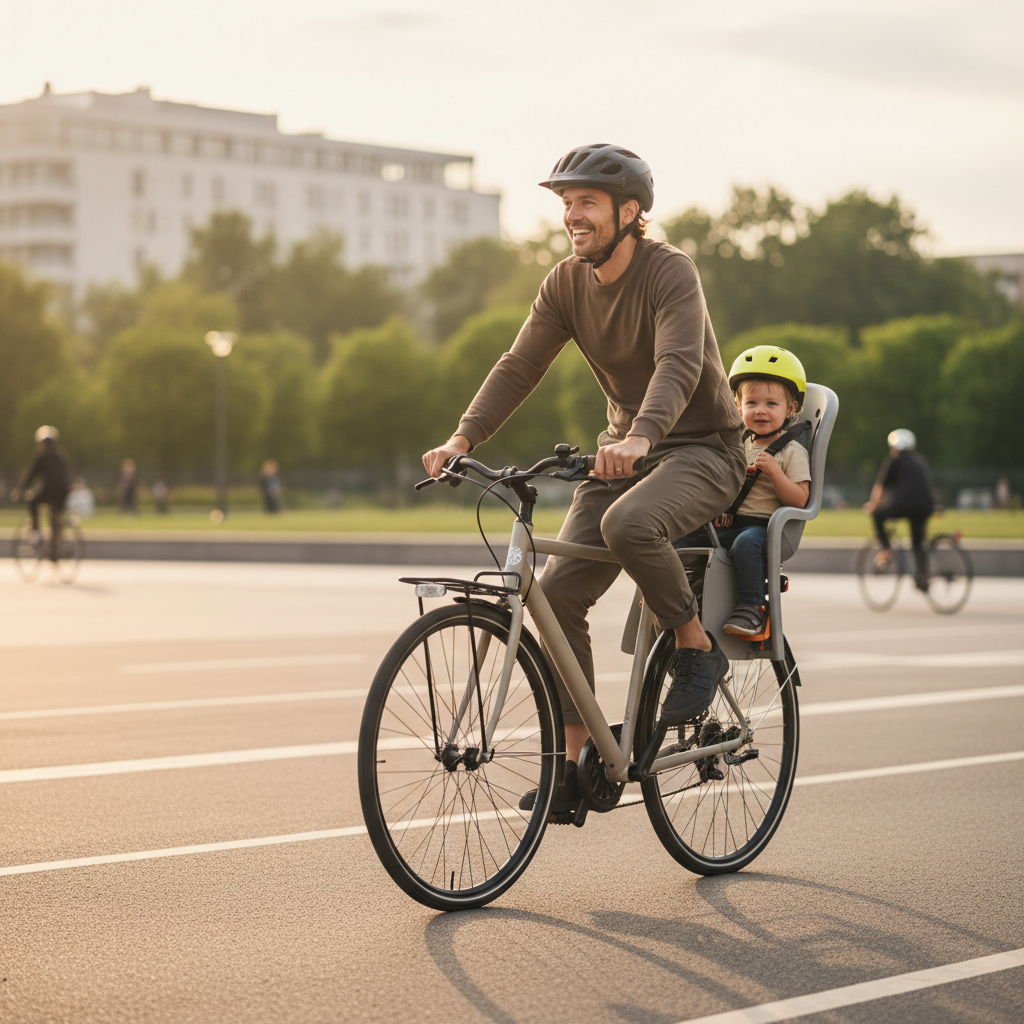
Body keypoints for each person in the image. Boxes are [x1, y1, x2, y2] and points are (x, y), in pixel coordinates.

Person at [422, 144, 746, 813]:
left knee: (629, 522)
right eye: (566, 203)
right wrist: (463, 436)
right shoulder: (565, 283)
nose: (572, 215)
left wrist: (641, 435)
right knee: (560, 593)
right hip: (622, 454)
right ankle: (575, 767)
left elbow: (679, 363)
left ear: (631, 213)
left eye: (586, 203)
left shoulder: (670, 272)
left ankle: (694, 643)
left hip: (703, 451)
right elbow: (520, 364)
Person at [673, 347, 811, 637]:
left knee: (746, 544)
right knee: (679, 537)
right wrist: (721, 507)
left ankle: (751, 609)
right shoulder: (739, 446)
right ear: (738, 407)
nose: (760, 410)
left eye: (771, 403)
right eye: (751, 402)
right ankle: (669, 596)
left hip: (765, 530)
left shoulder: (792, 451)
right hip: (731, 524)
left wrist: (773, 471)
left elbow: (800, 500)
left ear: (791, 409)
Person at [863, 429, 935, 590]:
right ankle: (923, 578)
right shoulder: (920, 461)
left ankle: (885, 551)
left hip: (905, 505)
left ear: (894, 447)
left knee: (878, 515)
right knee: (918, 542)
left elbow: (881, 487)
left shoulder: (894, 461)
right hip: (926, 506)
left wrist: (873, 505)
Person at [11, 426, 70, 559]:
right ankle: (55, 549)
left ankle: (36, 533)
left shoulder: (41, 456)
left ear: (41, 443)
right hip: (63, 492)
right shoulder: (60, 456)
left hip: (48, 490)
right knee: (55, 515)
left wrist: (20, 490)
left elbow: (30, 475)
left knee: (32, 501)